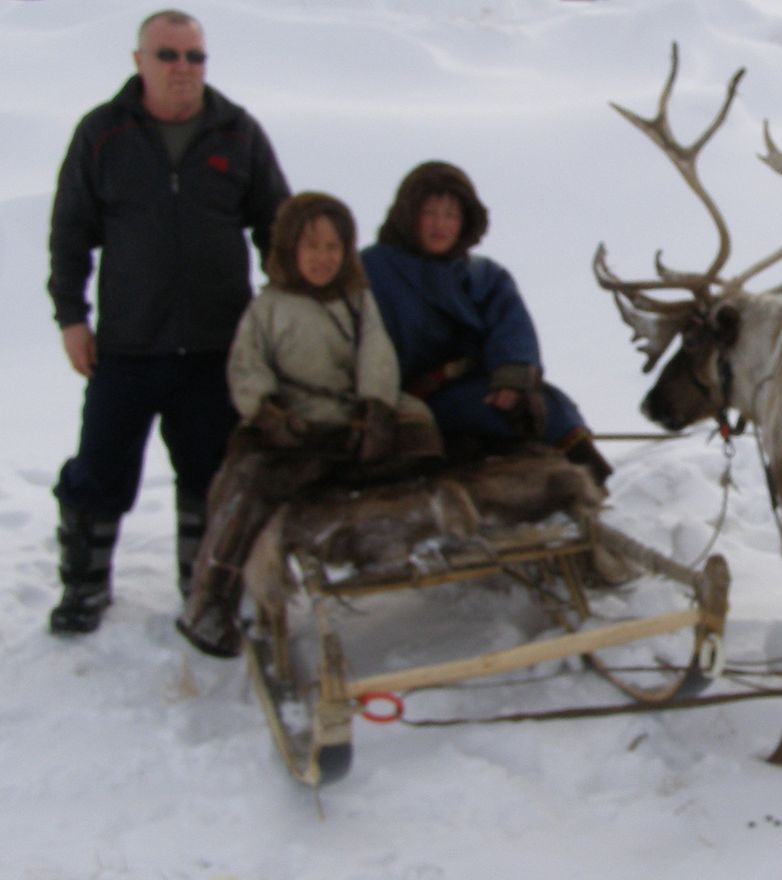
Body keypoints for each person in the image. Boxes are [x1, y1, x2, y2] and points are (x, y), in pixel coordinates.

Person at [46, 9, 290, 636]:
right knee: (100, 470)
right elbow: (71, 233)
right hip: (128, 344)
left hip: (216, 346)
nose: (183, 68)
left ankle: (202, 584)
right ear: (139, 62)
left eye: (195, 56)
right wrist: (73, 317)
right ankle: (84, 588)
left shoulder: (238, 134)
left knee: (210, 473)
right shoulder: (103, 134)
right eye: (168, 55)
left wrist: (284, 310)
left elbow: (278, 227)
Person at [175, 192, 443, 658]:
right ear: (289, 250)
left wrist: (376, 408)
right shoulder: (269, 307)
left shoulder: (358, 301)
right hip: (295, 425)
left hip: (349, 417)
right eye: (311, 246)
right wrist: (267, 411)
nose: (323, 259)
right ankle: (214, 598)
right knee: (249, 483)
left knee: (422, 429)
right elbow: (247, 367)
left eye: (333, 248)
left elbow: (376, 355)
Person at [360, 161, 613, 483]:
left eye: (451, 215)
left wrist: (512, 376)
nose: (441, 224)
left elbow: (511, 327)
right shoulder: (374, 268)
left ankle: (593, 482)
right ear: (408, 214)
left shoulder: (483, 275)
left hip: (477, 386)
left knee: (547, 405)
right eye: (430, 213)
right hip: (410, 396)